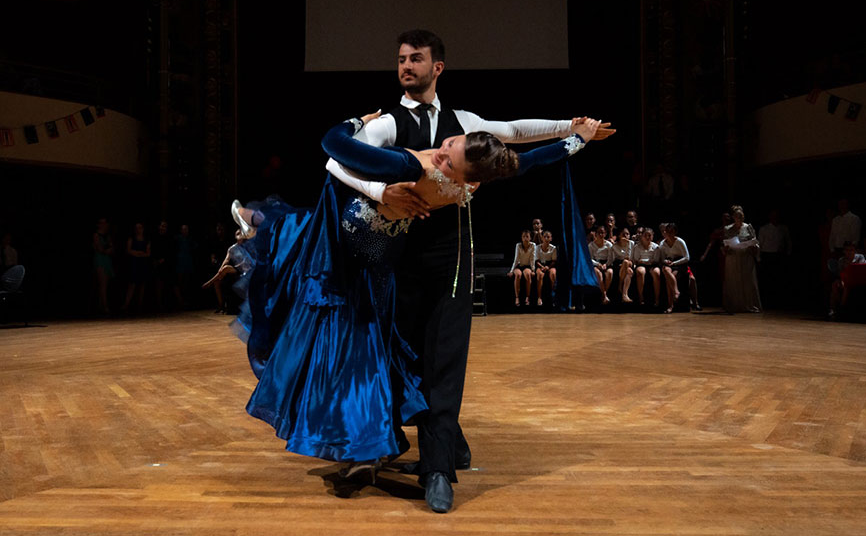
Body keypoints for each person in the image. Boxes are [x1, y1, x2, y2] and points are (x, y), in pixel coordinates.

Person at [237, 114, 601, 513]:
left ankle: (368, 444)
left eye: (448, 159)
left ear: (463, 176)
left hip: (348, 256)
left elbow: (332, 147)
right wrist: (577, 139)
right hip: (378, 267)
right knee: (371, 354)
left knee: (330, 321)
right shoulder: (475, 180)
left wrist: (356, 125)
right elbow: (529, 158)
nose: (441, 150)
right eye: (450, 144)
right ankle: (385, 444)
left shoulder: (409, 166)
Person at [341, 29, 611, 513]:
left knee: (444, 362)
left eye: (416, 59)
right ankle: (435, 445)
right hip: (394, 262)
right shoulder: (384, 125)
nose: (406, 66)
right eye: (401, 59)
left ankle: (439, 468)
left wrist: (572, 129)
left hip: (451, 261)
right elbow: (339, 164)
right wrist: (381, 194)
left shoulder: (461, 123)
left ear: (436, 68)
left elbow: (515, 133)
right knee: (405, 361)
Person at [722, 205, 762, 313]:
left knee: (747, 281)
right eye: (736, 217)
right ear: (733, 217)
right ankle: (734, 305)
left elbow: (754, 240)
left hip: (745, 256)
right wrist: (726, 247)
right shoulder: (728, 228)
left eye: (740, 217)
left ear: (743, 217)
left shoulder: (748, 227)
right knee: (733, 281)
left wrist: (753, 246)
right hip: (733, 257)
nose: (738, 219)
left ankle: (749, 305)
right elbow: (725, 242)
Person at [659, 223, 690, 313]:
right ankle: (676, 291)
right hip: (670, 263)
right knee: (665, 270)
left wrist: (675, 263)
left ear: (675, 232)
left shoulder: (680, 241)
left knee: (670, 278)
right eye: (668, 231)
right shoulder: (663, 243)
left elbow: (687, 257)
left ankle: (671, 305)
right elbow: (662, 258)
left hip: (680, 263)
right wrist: (666, 261)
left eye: (672, 231)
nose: (669, 233)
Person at [122, 223, 151, 314]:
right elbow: (128, 250)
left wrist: (138, 253)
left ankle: (140, 304)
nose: (139, 229)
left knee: (142, 284)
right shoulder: (132, 239)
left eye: (140, 228)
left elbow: (148, 253)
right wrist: (139, 253)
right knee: (132, 284)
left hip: (143, 263)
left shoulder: (147, 240)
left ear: (143, 229)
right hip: (134, 263)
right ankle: (126, 304)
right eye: (137, 228)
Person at [632, 227, 661, 306]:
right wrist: (646, 261)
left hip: (653, 265)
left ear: (652, 236)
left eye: (650, 235)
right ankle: (641, 296)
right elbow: (636, 260)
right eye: (645, 235)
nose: (648, 237)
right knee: (640, 271)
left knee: (657, 272)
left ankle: (657, 298)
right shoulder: (637, 247)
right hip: (641, 265)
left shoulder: (656, 247)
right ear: (642, 236)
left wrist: (645, 261)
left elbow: (655, 260)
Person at [92, 218, 115, 315]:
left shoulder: (108, 236)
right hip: (100, 259)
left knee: (105, 284)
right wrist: (106, 250)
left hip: (107, 259)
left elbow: (112, 247)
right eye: (103, 222)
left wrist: (109, 250)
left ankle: (100, 306)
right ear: (99, 224)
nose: (105, 224)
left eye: (106, 222)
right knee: (103, 284)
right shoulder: (96, 235)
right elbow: (98, 248)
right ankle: (105, 306)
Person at [507, 230, 536, 306]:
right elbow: (516, 259)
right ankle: (517, 297)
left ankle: (527, 297)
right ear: (521, 238)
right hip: (519, 266)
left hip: (527, 266)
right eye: (523, 236)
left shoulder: (533, 245)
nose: (525, 238)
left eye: (527, 236)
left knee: (528, 274)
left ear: (530, 238)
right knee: (518, 275)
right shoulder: (518, 245)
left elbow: (532, 259)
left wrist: (533, 270)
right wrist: (511, 270)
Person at [588, 224, 614, 304]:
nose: (601, 235)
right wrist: (597, 264)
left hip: (606, 263)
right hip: (596, 263)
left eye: (603, 233)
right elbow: (590, 258)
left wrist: (606, 264)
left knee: (610, 272)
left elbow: (611, 257)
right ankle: (604, 295)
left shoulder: (609, 245)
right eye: (599, 233)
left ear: (605, 234)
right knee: (598, 273)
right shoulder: (591, 245)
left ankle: (604, 293)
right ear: (595, 234)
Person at [534, 230, 558, 307]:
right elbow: (536, 260)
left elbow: (554, 261)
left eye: (548, 237)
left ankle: (554, 297)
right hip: (540, 265)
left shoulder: (553, 248)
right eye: (545, 237)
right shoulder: (537, 247)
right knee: (540, 275)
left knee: (553, 274)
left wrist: (548, 267)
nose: (546, 238)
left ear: (551, 238)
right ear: (542, 238)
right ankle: (539, 297)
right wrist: (542, 267)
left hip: (550, 265)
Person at [611, 227, 635, 303]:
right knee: (629, 271)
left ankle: (620, 285)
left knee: (626, 263)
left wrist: (627, 244)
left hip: (629, 263)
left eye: (627, 234)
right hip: (618, 265)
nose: (625, 235)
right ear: (619, 235)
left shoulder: (631, 243)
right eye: (623, 234)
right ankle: (625, 295)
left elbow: (630, 257)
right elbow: (616, 258)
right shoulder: (615, 245)